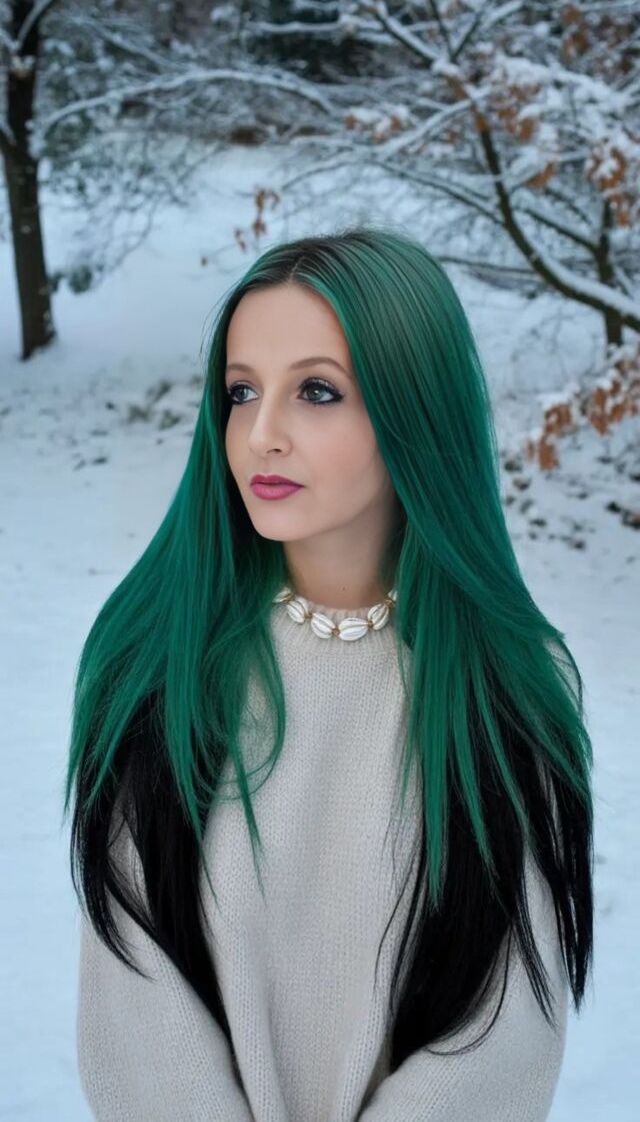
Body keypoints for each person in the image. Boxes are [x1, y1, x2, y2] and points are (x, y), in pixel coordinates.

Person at [64, 225, 594, 1121]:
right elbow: (136, 1014)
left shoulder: (510, 683)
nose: (261, 434)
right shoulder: (153, 661)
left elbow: (503, 1037)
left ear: (415, 409)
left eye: (316, 391)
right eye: (240, 391)